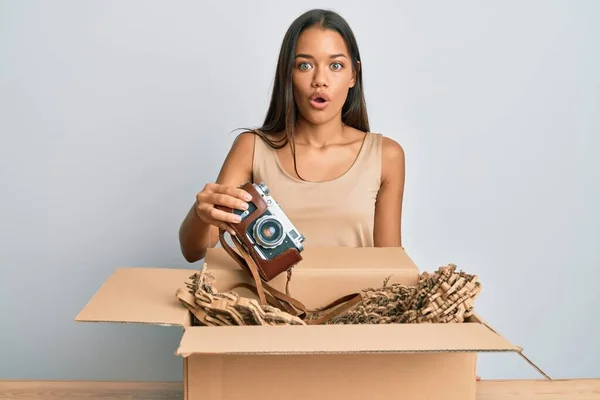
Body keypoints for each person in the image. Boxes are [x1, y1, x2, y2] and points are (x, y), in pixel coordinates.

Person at [179, 8, 406, 263]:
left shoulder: (386, 156)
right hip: (266, 302)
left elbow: (392, 266)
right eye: (305, 65)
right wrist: (200, 214)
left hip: (357, 302)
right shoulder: (252, 148)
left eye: (336, 65)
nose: (320, 80)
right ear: (288, 73)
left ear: (354, 74)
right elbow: (193, 251)